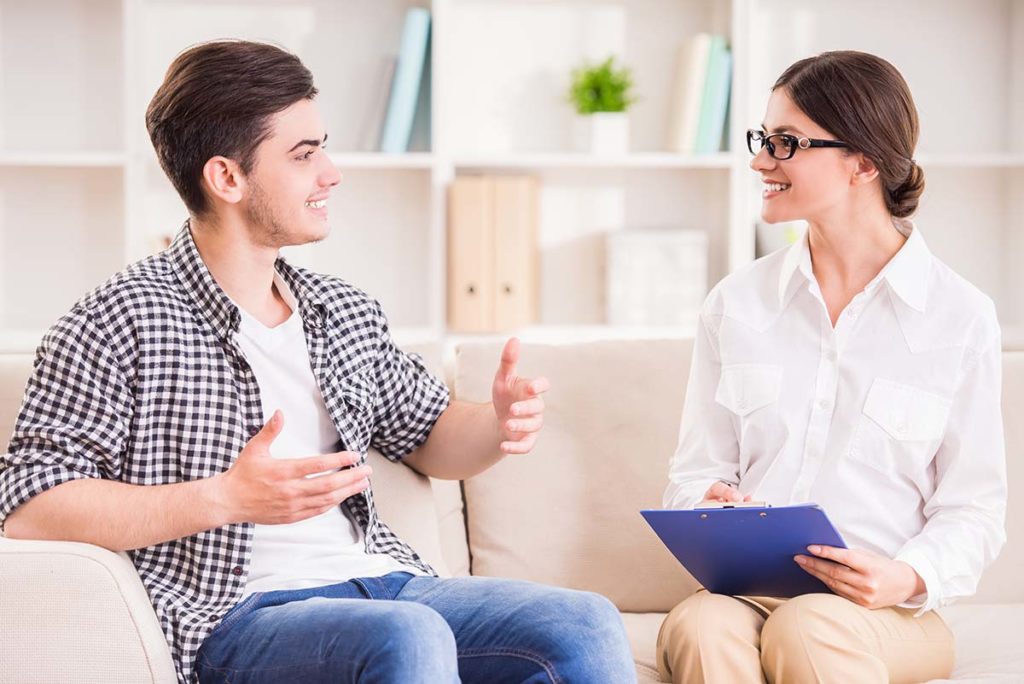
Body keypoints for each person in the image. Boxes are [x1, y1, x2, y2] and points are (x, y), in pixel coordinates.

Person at [0, 40, 636, 684]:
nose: (331, 172)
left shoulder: (341, 311)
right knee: (407, 636)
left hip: (383, 582)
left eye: (322, 147)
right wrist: (223, 498)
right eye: (304, 155)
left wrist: (498, 425)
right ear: (227, 178)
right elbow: (32, 507)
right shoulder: (114, 321)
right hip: (235, 616)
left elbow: (433, 436)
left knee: (581, 622)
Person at [657, 50, 1006, 683]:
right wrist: (705, 502)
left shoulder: (959, 317)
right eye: (763, 139)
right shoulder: (735, 305)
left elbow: (975, 509)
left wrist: (906, 575)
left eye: (786, 142)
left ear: (864, 161)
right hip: (749, 595)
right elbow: (693, 474)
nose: (761, 160)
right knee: (699, 624)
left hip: (889, 613)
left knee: (809, 624)